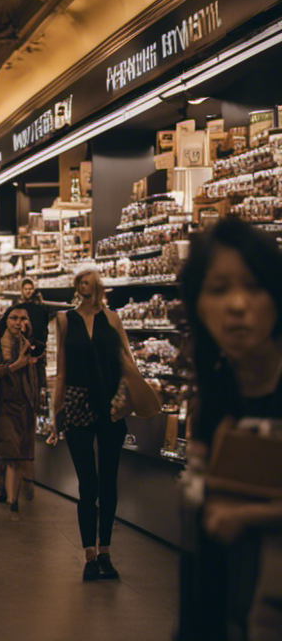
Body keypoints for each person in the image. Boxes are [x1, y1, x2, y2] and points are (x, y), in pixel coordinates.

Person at [177, 218, 282, 641]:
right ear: (199, 306)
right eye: (219, 289)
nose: (237, 305)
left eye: (253, 286)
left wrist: (249, 515)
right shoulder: (214, 396)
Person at [47, 267, 139, 580]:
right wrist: (54, 415)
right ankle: (89, 554)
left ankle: (106, 551)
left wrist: (131, 395)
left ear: (97, 286)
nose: (82, 285)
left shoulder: (112, 318)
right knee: (87, 482)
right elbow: (61, 369)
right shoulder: (63, 319)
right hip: (75, 402)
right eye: (78, 281)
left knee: (108, 481)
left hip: (109, 402)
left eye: (87, 280)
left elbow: (127, 360)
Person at [0, 304, 40, 512]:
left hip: (25, 403)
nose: (19, 323)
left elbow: (35, 375)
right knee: (9, 450)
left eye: (23, 319)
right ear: (5, 321)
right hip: (2, 403)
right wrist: (15, 365)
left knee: (17, 453)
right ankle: (10, 496)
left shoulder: (30, 345)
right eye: (14, 318)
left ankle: (12, 498)